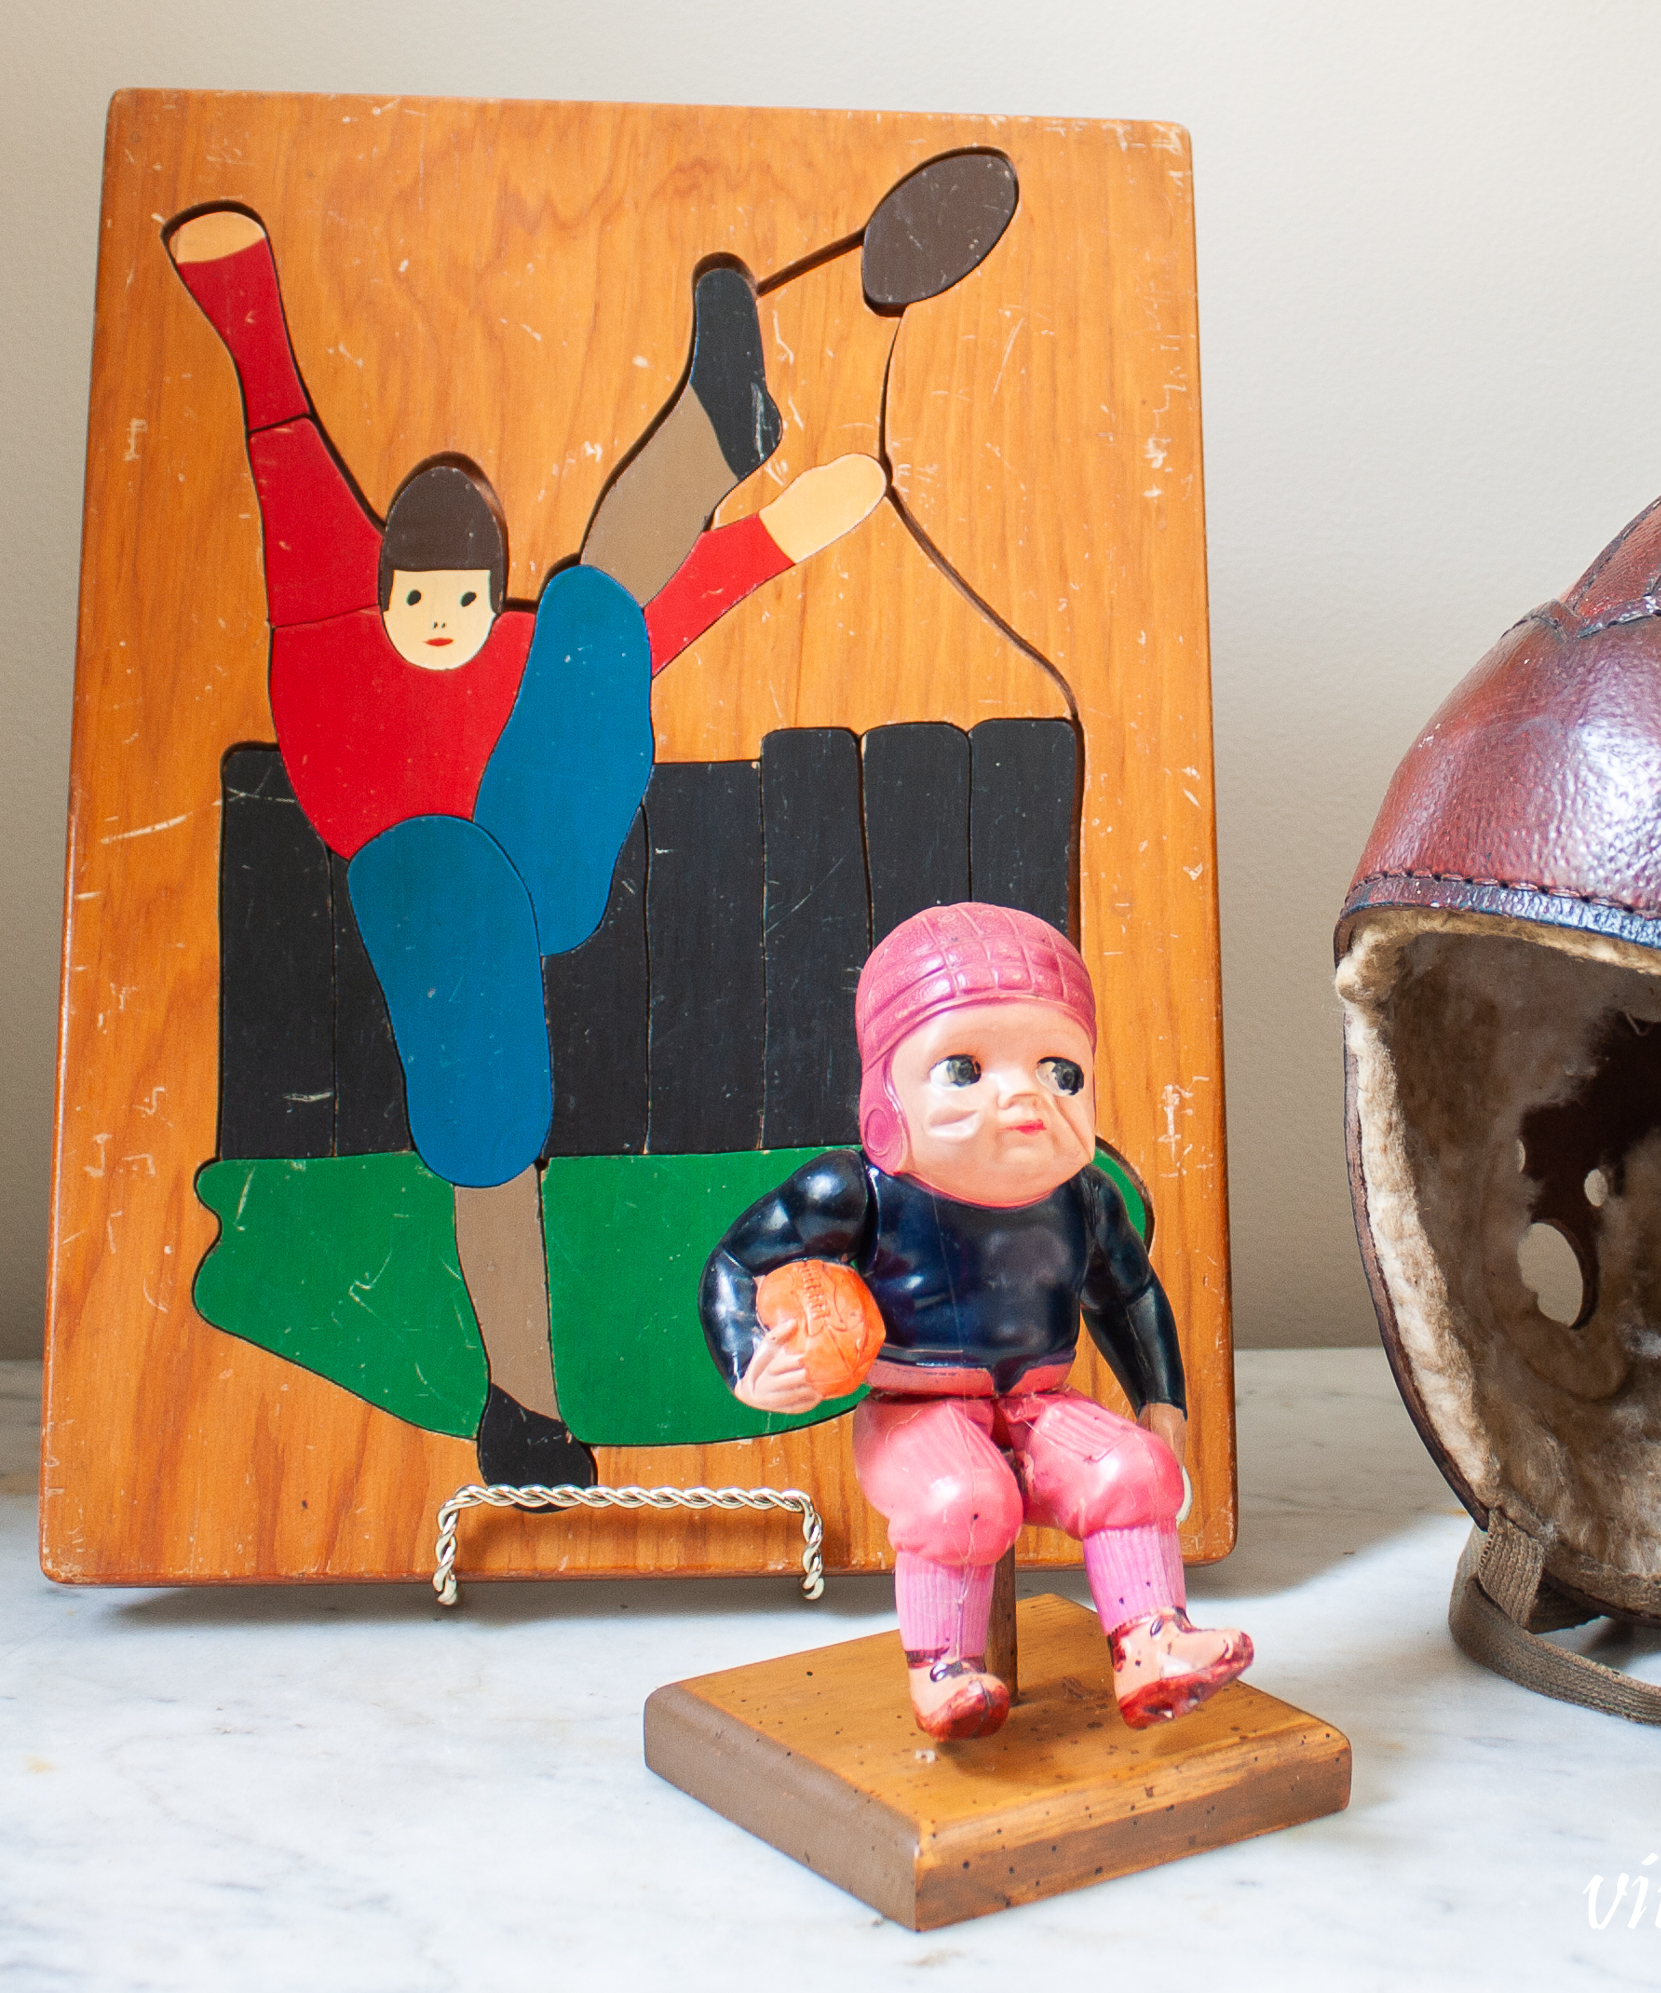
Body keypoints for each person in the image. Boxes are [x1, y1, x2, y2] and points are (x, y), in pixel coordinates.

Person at [168, 205, 887, 1485]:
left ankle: (720, 435)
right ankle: (525, 1404)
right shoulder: (336, 650)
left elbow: (638, 635)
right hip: (425, 879)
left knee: (588, 610)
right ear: (380, 590)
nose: (441, 620)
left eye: (460, 594)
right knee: (483, 1086)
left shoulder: (512, 648)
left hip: (543, 849)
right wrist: (243, 304)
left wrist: (786, 535)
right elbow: (285, 457)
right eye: (417, 597)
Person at [700, 903, 1253, 1739]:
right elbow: (739, 1262)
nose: (1024, 1096)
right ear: (886, 1092)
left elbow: (1128, 1296)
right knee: (965, 1498)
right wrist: (749, 1354)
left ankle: (1152, 1642)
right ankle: (942, 1667)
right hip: (915, 1411)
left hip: (1038, 1402)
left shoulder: (1084, 1199)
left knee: (1134, 1472)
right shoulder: (856, 1192)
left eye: (1059, 1070)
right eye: (965, 1067)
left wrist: (1160, 1401)